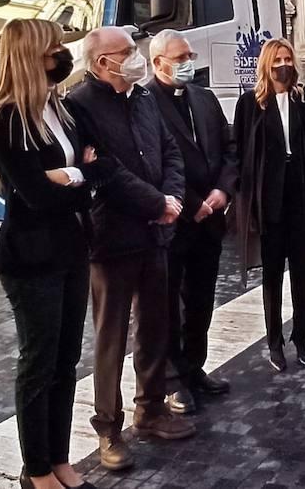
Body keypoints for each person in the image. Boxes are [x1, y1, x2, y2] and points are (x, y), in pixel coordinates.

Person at [0, 19, 113, 489]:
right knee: (38, 363)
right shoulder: (6, 117)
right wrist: (81, 175)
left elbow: (104, 168)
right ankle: (35, 468)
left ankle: (60, 460)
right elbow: (36, 197)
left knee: (65, 361)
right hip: (30, 256)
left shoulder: (63, 110)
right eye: (53, 48)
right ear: (29, 55)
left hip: (73, 247)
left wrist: (72, 175)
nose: (62, 55)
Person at [66, 27, 194, 472]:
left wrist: (171, 200)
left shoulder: (142, 98)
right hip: (112, 238)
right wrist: (156, 203)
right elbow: (104, 171)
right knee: (111, 337)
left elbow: (170, 152)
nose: (136, 57)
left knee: (157, 326)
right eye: (128, 52)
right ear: (103, 62)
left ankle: (151, 409)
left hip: (155, 234)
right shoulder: (79, 105)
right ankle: (109, 428)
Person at [233, 38, 305, 373]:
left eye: (287, 58)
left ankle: (302, 338)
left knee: (302, 272)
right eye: (277, 59)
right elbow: (241, 156)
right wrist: (246, 205)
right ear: (267, 64)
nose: (283, 64)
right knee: (272, 275)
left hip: (303, 195)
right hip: (268, 200)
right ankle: (274, 341)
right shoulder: (250, 103)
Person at [147, 30, 238, 415]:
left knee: (202, 300)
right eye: (180, 56)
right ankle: (172, 380)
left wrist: (224, 190)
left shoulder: (204, 97)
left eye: (190, 54)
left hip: (211, 219)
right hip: (173, 221)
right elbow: (153, 163)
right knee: (167, 305)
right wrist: (191, 203)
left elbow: (229, 148)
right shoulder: (145, 103)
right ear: (157, 63)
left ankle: (194, 367)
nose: (188, 61)